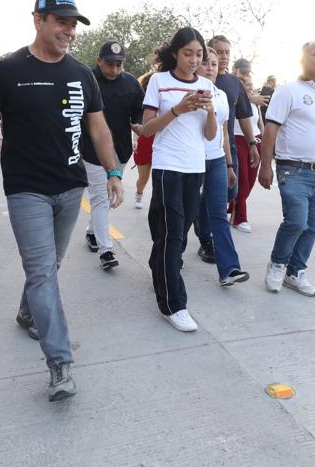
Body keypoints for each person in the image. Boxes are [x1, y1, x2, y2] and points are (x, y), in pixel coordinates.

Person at [0, 0, 122, 402]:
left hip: (70, 187)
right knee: (43, 272)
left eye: (73, 24)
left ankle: (28, 312)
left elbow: (98, 127)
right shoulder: (8, 70)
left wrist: (113, 171)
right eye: (61, 22)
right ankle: (60, 363)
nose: (69, 31)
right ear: (38, 20)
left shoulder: (81, 74)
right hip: (27, 189)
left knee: (51, 265)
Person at [139, 27, 218, 331]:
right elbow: (147, 129)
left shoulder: (205, 85)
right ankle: (173, 304)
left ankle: (158, 266)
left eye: (199, 55)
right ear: (175, 54)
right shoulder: (159, 82)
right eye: (188, 53)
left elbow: (209, 135)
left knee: (180, 234)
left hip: (195, 168)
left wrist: (210, 111)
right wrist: (178, 109)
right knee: (172, 235)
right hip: (168, 166)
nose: (194, 60)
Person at [258, 41, 315, 296]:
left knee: (312, 225)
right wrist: (265, 165)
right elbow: (271, 128)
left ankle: (295, 271)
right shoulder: (288, 91)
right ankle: (278, 264)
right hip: (293, 170)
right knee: (296, 222)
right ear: (302, 59)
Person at [81, 40, 144, 271]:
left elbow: (139, 108)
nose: (115, 69)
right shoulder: (86, 80)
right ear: (99, 60)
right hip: (91, 150)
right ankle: (106, 250)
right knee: (101, 196)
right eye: (110, 64)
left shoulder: (131, 83)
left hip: (121, 150)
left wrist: (137, 122)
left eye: (119, 64)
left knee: (105, 199)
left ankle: (92, 231)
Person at [194, 47, 248, 286]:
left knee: (218, 213)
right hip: (191, 161)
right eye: (205, 62)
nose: (210, 68)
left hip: (216, 159)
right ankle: (171, 260)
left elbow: (224, 132)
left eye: (214, 64)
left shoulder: (222, 95)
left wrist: (228, 165)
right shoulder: (187, 91)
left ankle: (229, 269)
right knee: (184, 213)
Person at [208, 38, 260, 238]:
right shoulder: (202, 78)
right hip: (203, 148)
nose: (224, 56)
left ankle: (203, 216)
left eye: (227, 52)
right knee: (216, 198)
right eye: (219, 52)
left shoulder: (233, 82)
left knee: (232, 191)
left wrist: (252, 143)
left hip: (228, 148)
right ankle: (208, 234)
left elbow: (244, 115)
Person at [228, 57, 263, 233]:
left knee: (250, 181)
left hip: (255, 141)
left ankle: (232, 205)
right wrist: (249, 98)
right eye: (243, 81)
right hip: (237, 139)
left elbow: (260, 123)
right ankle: (240, 217)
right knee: (241, 180)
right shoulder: (230, 86)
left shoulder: (255, 103)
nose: (246, 86)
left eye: (249, 83)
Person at [131, 65, 159, 209]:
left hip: (161, 141)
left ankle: (158, 202)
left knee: (159, 177)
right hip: (144, 141)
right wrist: (135, 140)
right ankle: (139, 193)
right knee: (143, 177)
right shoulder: (144, 102)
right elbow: (137, 123)